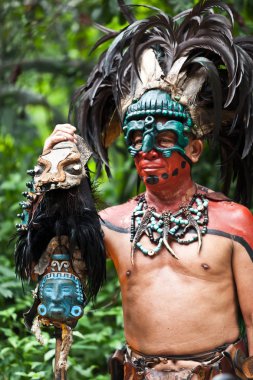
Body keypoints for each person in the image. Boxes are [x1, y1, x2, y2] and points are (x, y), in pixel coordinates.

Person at [19, 1, 253, 379]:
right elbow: (46, 268)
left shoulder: (234, 221)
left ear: (193, 149)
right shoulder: (112, 224)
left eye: (162, 139)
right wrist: (50, 173)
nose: (147, 151)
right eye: (137, 139)